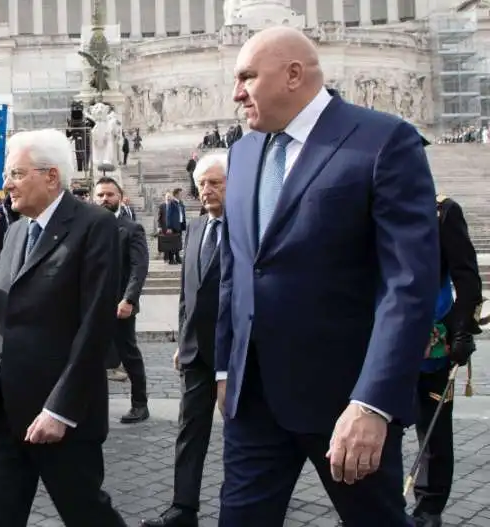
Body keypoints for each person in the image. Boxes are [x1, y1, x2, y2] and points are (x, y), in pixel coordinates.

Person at [215, 27, 439, 526]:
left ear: (294, 74)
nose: (236, 93)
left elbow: (408, 285)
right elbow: (236, 270)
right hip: (253, 401)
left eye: (247, 76)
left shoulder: (384, 141)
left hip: (347, 403)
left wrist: (374, 403)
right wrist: (225, 368)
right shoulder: (244, 153)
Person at [0, 128, 127, 527]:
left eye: (16, 174)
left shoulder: (95, 226)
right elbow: (5, 313)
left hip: (61, 414)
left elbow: (95, 327)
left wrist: (60, 409)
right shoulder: (17, 230)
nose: (6, 184)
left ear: (51, 176)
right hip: (5, 410)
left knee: (88, 514)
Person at [143, 153, 228, 527]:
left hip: (237, 357)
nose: (205, 190)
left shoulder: (250, 228)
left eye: (214, 183)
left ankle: (247, 503)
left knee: (245, 437)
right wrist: (182, 339)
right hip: (195, 353)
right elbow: (186, 293)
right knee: (189, 432)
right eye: (201, 183)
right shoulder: (193, 229)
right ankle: (183, 507)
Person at [413, 192, 482, 527]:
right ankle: (373, 502)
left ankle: (429, 506)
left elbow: (467, 277)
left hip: (432, 344)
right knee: (375, 425)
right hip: (377, 339)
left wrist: (459, 330)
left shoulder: (442, 211)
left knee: (435, 431)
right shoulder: (367, 203)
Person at [94, 176, 150, 424]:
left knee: (128, 353)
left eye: (109, 194)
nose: (105, 199)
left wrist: (129, 299)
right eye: (101, 195)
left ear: (120, 196)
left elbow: (139, 267)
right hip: (92, 304)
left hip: (120, 305)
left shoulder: (132, 229)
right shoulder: (88, 227)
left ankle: (140, 404)